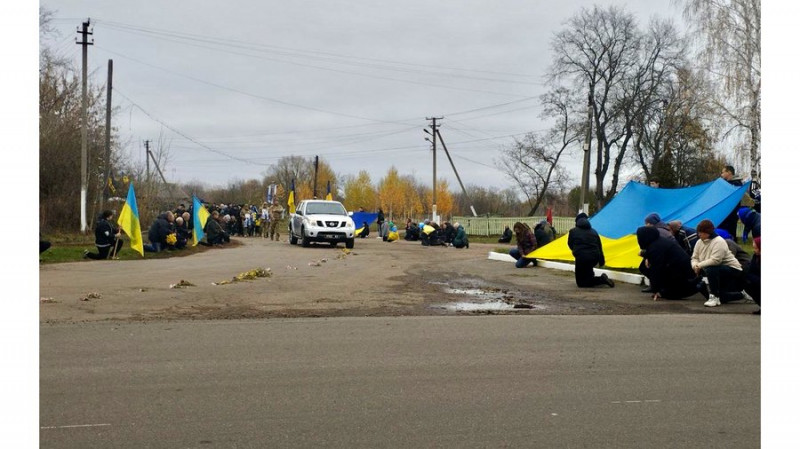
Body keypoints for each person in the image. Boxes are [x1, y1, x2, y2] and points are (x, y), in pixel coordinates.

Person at [691, 219, 746, 307]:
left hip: (733, 269)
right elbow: (694, 258)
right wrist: (694, 266)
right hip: (716, 269)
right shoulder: (699, 242)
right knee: (700, 287)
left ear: (708, 232)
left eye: (701, 232)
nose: (699, 234)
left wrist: (698, 265)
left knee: (711, 268)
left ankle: (715, 297)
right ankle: (742, 295)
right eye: (699, 232)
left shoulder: (719, 241)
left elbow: (716, 260)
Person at [636, 226, 698, 300]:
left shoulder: (656, 246)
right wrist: (647, 257)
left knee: (668, 293)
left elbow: (656, 268)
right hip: (676, 267)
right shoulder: (657, 242)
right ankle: (664, 288)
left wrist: (655, 289)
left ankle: (669, 290)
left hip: (681, 271)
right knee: (644, 267)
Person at [568, 213, 614, 288]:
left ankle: (602, 279)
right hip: (594, 258)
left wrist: (576, 251)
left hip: (581, 258)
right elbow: (599, 246)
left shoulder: (573, 231)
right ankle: (599, 279)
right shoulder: (594, 232)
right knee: (588, 275)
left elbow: (570, 244)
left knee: (581, 283)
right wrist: (601, 261)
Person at [718, 165, 744, 241]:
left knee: (731, 234)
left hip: (731, 214)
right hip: (723, 214)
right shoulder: (725, 183)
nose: (721, 174)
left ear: (729, 172)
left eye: (723, 172)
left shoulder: (737, 184)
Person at [745, 237, 761, 314]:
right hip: (757, 279)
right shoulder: (755, 256)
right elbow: (750, 270)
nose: (754, 250)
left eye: (756, 248)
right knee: (747, 284)